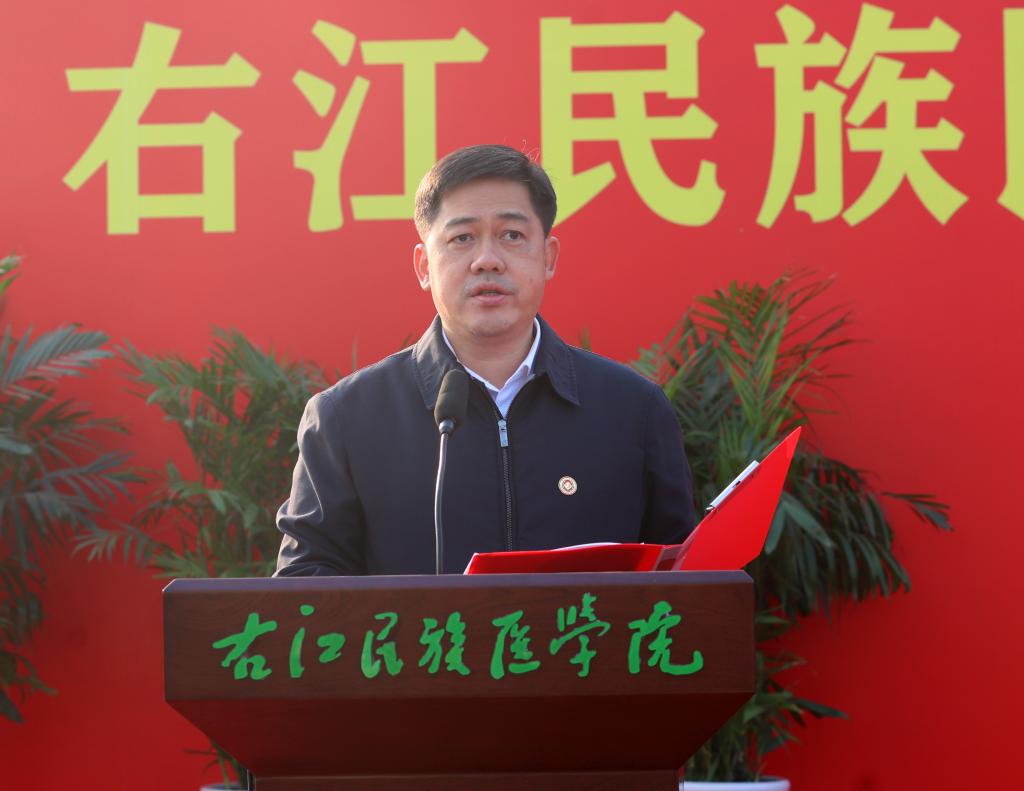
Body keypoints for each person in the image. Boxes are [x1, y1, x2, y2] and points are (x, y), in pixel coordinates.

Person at [275, 144, 695, 576]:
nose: (487, 261)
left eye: (512, 235)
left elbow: (686, 577)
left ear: (548, 257)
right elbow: (305, 583)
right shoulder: (347, 418)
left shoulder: (633, 411)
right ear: (424, 266)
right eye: (462, 238)